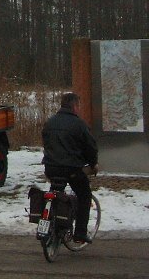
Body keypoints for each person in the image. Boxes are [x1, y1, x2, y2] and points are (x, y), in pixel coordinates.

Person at [42, 92, 98, 244]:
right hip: (71, 170)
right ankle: (80, 234)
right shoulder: (79, 124)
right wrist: (93, 164)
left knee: (56, 193)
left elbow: (46, 144)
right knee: (84, 195)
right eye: (79, 106)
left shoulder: (50, 122)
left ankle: (53, 223)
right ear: (74, 106)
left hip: (51, 168)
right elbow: (90, 147)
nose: (79, 109)